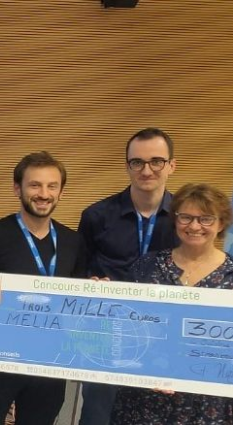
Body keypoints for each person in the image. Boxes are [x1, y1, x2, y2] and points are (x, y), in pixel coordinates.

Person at [0, 152, 87, 425]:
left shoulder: (73, 243)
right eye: (35, 185)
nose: (44, 194)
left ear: (61, 192)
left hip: (50, 359)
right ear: (17, 188)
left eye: (52, 186)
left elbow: (78, 299)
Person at [75, 128, 180, 424]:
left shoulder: (185, 220)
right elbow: (78, 272)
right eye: (137, 162)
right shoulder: (96, 216)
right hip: (106, 334)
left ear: (172, 165)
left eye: (156, 161)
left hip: (163, 334)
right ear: (127, 166)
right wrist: (87, 284)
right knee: (97, 416)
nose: (146, 170)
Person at [111, 183, 233, 424]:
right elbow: (124, 329)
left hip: (207, 402)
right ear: (176, 220)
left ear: (221, 224)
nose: (194, 226)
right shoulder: (147, 266)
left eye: (206, 219)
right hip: (145, 399)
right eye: (186, 217)